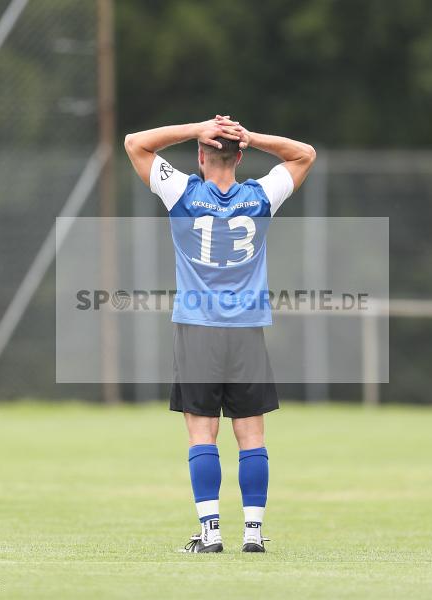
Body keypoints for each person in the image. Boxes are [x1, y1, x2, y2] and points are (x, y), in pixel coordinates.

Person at [124, 115, 316, 553]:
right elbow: (304, 153)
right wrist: (251, 135)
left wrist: (196, 127)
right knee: (252, 437)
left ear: (200, 155)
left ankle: (210, 534)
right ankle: (253, 533)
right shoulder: (260, 195)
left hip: (197, 330)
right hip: (247, 331)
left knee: (201, 434)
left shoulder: (184, 191)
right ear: (241, 155)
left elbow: (135, 143)